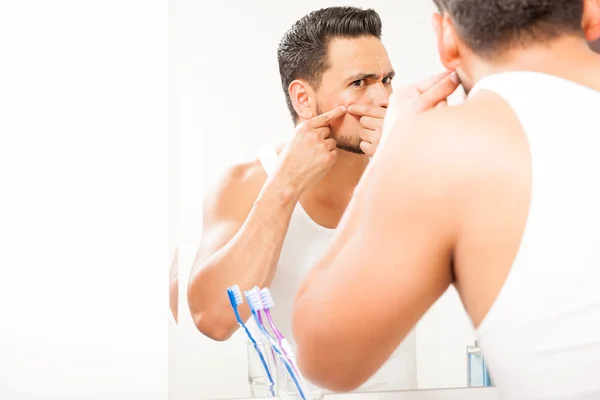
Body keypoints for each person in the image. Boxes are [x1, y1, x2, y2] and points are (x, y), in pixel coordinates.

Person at [292, 0, 600, 398]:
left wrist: (392, 157)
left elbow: (325, 358)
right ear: (593, 11)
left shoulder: (444, 149)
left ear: (447, 39)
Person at [186, 5, 457, 392]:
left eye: (387, 80)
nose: (383, 98)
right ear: (303, 98)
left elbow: (483, 274)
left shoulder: (407, 168)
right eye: (360, 82)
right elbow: (212, 318)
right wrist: (285, 187)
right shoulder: (244, 183)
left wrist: (406, 168)